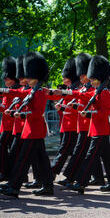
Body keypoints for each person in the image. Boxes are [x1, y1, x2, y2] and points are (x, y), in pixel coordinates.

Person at [64, 55, 110, 194]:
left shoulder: (105, 93)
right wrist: (68, 94)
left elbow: (104, 112)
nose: (92, 81)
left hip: (101, 130)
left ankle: (81, 182)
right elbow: (84, 97)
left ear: (99, 78)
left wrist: (89, 114)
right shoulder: (98, 91)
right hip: (96, 130)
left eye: (94, 79)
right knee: (108, 159)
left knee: (90, 157)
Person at [1, 52, 54, 198]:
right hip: (31, 131)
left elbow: (37, 113)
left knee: (22, 160)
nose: (27, 78)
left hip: (34, 131)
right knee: (42, 160)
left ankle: (14, 187)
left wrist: (23, 115)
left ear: (36, 77)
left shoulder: (41, 92)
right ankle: (48, 186)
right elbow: (16, 93)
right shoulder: (31, 91)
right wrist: (2, 91)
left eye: (30, 76)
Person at [47, 58, 80, 181]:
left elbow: (76, 107)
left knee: (65, 149)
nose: (63, 78)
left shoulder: (75, 90)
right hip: (66, 124)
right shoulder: (69, 90)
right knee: (73, 151)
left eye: (65, 76)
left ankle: (53, 171)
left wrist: (63, 107)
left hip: (72, 125)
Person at [0, 57, 20, 182]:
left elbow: (10, 109)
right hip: (6, 124)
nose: (5, 79)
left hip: (12, 124)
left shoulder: (16, 90)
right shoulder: (9, 90)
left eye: (7, 77)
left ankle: (6, 172)